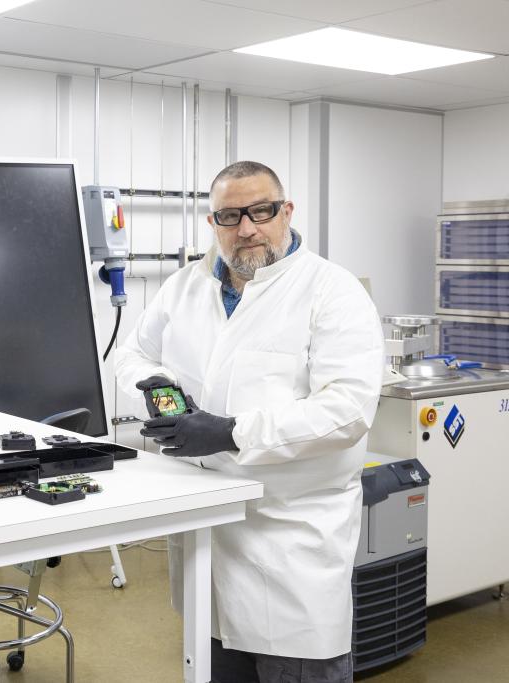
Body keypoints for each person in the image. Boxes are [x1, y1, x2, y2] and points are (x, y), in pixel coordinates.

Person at [115, 161, 383, 683]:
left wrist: (231, 431)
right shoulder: (184, 287)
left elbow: (346, 411)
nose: (247, 228)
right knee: (215, 663)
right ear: (212, 222)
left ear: (286, 212)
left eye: (261, 211)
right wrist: (152, 383)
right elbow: (131, 354)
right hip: (205, 538)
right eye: (230, 216)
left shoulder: (332, 291)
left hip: (289, 543)